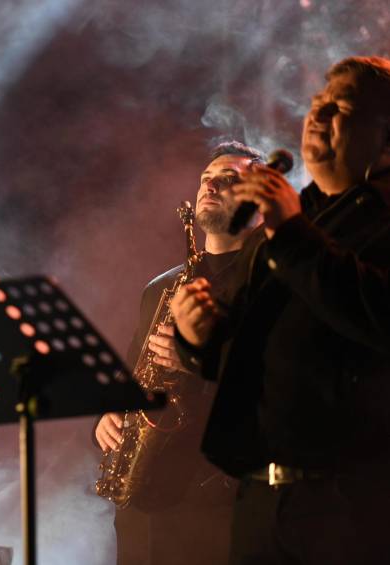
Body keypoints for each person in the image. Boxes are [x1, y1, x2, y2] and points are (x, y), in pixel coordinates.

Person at [172, 56, 390, 564]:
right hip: (262, 502)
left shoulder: (309, 225)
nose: (318, 114)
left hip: (351, 510)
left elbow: (378, 313)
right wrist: (199, 338)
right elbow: (245, 357)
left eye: (341, 107)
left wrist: (290, 233)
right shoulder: (294, 221)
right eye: (317, 102)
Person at [93, 142, 265, 564]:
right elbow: (134, 373)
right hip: (144, 502)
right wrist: (112, 411)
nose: (212, 187)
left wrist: (201, 360)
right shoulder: (161, 287)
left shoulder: (271, 282)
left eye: (229, 180)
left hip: (215, 503)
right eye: (207, 179)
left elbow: (283, 386)